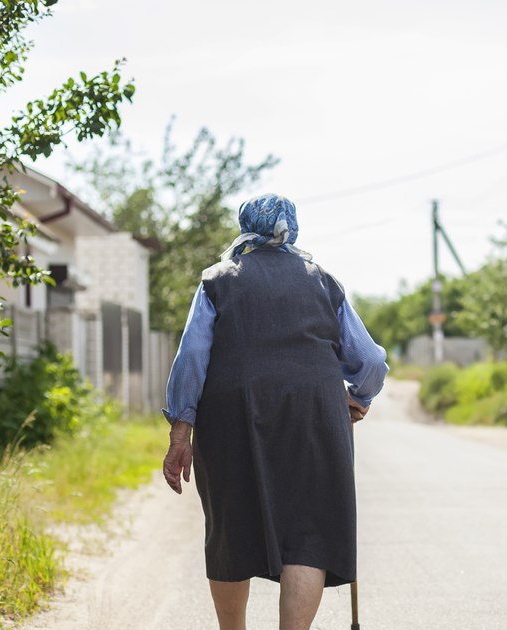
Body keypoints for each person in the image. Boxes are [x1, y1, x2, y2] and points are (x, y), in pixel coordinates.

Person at [161, 193, 388, 630]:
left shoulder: (217, 280)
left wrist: (180, 431)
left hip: (232, 415)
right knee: (311, 536)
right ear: (292, 228)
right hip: (316, 416)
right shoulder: (323, 281)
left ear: (245, 225)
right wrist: (358, 396)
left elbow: (192, 359)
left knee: (231, 530)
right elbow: (372, 362)